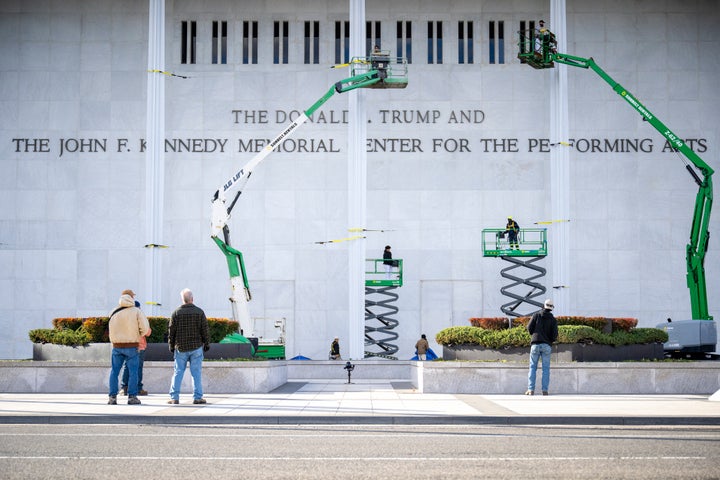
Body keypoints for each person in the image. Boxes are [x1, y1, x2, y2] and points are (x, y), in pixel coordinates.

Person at [168, 288, 210, 405]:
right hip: (196, 347)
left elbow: (171, 332)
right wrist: (206, 343)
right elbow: (205, 330)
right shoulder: (199, 312)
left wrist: (171, 346)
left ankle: (174, 397)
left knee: (178, 372)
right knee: (196, 373)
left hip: (180, 347)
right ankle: (197, 397)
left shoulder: (176, 313)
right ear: (192, 299)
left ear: (183, 300)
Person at [107, 289, 150, 405]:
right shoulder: (136, 311)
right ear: (131, 298)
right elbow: (145, 329)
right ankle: (132, 397)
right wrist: (137, 335)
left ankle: (112, 397)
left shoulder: (113, 312)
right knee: (133, 372)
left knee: (114, 372)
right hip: (132, 346)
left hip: (116, 346)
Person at [120, 290, 151, 396]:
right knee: (137, 367)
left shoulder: (122, 314)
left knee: (126, 366)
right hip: (139, 346)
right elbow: (147, 332)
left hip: (126, 344)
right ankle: (137, 388)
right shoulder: (138, 315)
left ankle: (124, 387)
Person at [525, 298, 559, 396]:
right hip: (546, 345)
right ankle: (545, 390)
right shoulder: (553, 319)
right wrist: (549, 341)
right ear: (552, 308)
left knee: (532, 367)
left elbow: (529, 328)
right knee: (546, 369)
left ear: (543, 305)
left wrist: (534, 334)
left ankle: (531, 390)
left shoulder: (536, 315)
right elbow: (554, 335)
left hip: (535, 344)